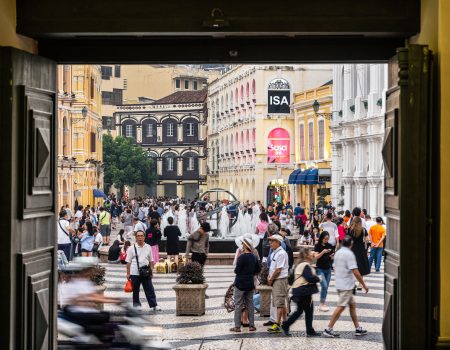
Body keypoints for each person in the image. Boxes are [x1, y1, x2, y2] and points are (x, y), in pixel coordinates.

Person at [323, 235, 369, 338]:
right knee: (341, 307)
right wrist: (364, 284)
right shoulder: (349, 254)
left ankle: (358, 328)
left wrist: (340, 276)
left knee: (352, 305)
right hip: (346, 286)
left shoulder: (338, 252)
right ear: (351, 244)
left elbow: (334, 267)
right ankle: (328, 329)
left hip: (342, 283)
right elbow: (355, 271)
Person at [281, 247, 321, 337]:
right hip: (303, 291)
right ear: (307, 255)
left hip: (300, 291)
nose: (313, 253)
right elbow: (309, 278)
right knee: (301, 311)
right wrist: (318, 278)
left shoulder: (300, 264)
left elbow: (291, 280)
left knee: (307, 311)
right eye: (311, 252)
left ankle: (309, 330)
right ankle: (286, 325)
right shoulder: (305, 265)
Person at [229, 237, 261, 333]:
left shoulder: (241, 257)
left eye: (243, 244)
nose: (242, 246)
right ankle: (252, 326)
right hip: (250, 283)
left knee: (238, 304)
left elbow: (236, 270)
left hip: (240, 284)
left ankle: (237, 327)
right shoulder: (254, 257)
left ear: (246, 245)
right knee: (250, 304)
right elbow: (258, 270)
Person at [126, 230, 161, 311]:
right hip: (134, 272)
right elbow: (128, 262)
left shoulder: (148, 247)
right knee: (135, 291)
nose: (140, 237)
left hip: (146, 272)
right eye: (138, 236)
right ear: (136, 237)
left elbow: (151, 260)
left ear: (144, 237)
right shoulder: (131, 248)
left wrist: (151, 271)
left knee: (150, 289)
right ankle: (137, 305)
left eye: (141, 236)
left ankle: (154, 304)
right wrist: (128, 273)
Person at [266, 234, 289, 333]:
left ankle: (277, 324)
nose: (270, 243)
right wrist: (269, 276)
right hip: (276, 279)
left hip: (280, 280)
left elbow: (278, 269)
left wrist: (271, 279)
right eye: (270, 241)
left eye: (272, 241)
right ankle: (285, 322)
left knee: (279, 303)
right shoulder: (275, 253)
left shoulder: (281, 253)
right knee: (281, 302)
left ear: (278, 242)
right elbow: (272, 267)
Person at [314, 231, 334, 311]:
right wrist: (323, 252)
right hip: (320, 269)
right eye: (325, 239)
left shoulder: (329, 245)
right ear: (322, 238)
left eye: (328, 239)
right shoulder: (317, 246)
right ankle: (321, 304)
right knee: (324, 286)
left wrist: (332, 256)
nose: (327, 240)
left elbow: (332, 257)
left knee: (326, 287)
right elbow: (316, 257)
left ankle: (323, 302)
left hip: (328, 268)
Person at [347, 216, 370, 283]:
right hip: (361, 249)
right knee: (361, 265)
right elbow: (367, 239)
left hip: (352, 249)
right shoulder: (363, 230)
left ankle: (352, 281)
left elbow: (347, 239)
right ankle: (360, 283)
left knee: (352, 265)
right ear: (360, 222)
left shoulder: (350, 230)